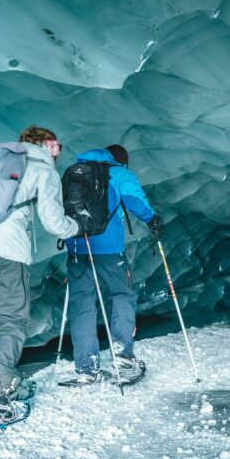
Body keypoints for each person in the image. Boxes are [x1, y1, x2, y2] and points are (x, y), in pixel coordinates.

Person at [0, 126, 80, 419]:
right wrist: (77, 227)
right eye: (56, 146)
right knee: (13, 318)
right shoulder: (41, 168)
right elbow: (53, 221)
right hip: (5, 248)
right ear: (45, 145)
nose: (58, 152)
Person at [64, 144, 163, 386]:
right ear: (122, 161)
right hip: (109, 249)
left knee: (82, 305)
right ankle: (122, 355)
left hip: (77, 247)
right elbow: (135, 202)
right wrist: (153, 220)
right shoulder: (119, 173)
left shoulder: (74, 172)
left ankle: (87, 368)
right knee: (122, 295)